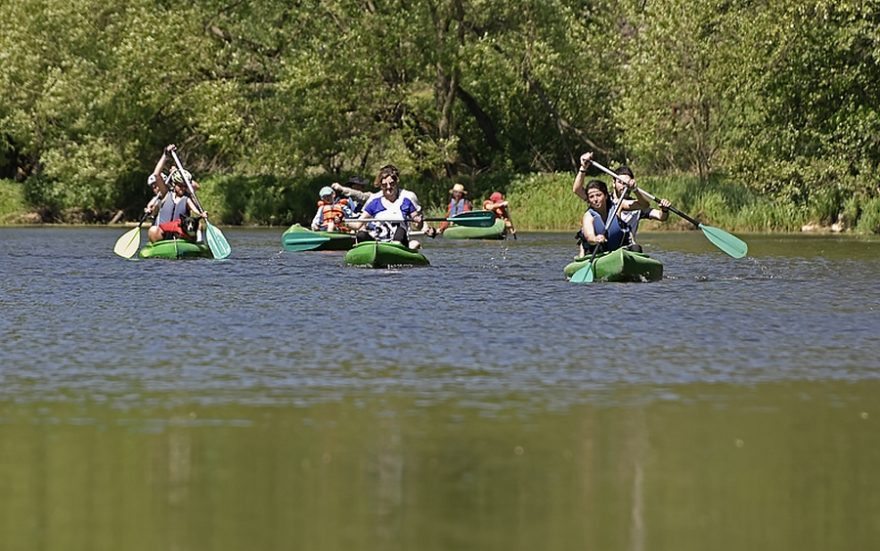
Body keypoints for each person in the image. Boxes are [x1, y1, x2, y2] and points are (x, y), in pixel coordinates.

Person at [349, 164, 436, 250]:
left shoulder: (407, 199)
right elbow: (357, 224)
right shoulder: (374, 201)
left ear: (396, 182)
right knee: (361, 235)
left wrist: (419, 222)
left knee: (401, 231)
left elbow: (418, 225)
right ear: (380, 185)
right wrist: (341, 220)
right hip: (379, 241)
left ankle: (398, 249)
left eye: (392, 184)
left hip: (399, 241)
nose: (388, 187)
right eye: (384, 185)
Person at [147, 164, 207, 242]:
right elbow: (156, 174)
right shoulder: (166, 194)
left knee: (199, 225)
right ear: (174, 184)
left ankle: (199, 242)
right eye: (180, 185)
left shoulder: (187, 199)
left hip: (181, 233)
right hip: (164, 233)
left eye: (185, 186)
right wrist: (165, 155)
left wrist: (201, 214)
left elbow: (195, 209)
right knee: (153, 230)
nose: (183, 188)